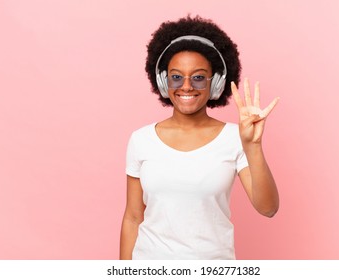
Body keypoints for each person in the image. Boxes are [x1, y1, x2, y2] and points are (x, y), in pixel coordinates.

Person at [120, 15, 279, 260]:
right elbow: (132, 217)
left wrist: (253, 145)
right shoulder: (141, 140)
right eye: (176, 76)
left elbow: (268, 208)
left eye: (197, 77)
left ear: (215, 84)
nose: (186, 86)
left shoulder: (235, 138)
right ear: (163, 82)